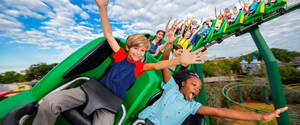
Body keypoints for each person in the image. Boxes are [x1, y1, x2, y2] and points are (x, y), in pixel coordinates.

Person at [32, 1, 208, 125]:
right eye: (136, 49)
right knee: (50, 102)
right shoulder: (120, 55)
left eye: (142, 51)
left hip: (111, 102)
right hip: (92, 90)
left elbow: (156, 66)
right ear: (130, 47)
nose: (138, 53)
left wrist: (179, 60)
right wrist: (102, 8)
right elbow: (108, 35)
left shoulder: (140, 67)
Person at [138, 23, 289, 124]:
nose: (197, 90)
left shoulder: (192, 106)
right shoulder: (171, 87)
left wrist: (261, 116)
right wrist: (169, 43)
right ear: (183, 83)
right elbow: (164, 63)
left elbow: (220, 112)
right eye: (194, 85)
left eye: (198, 89)